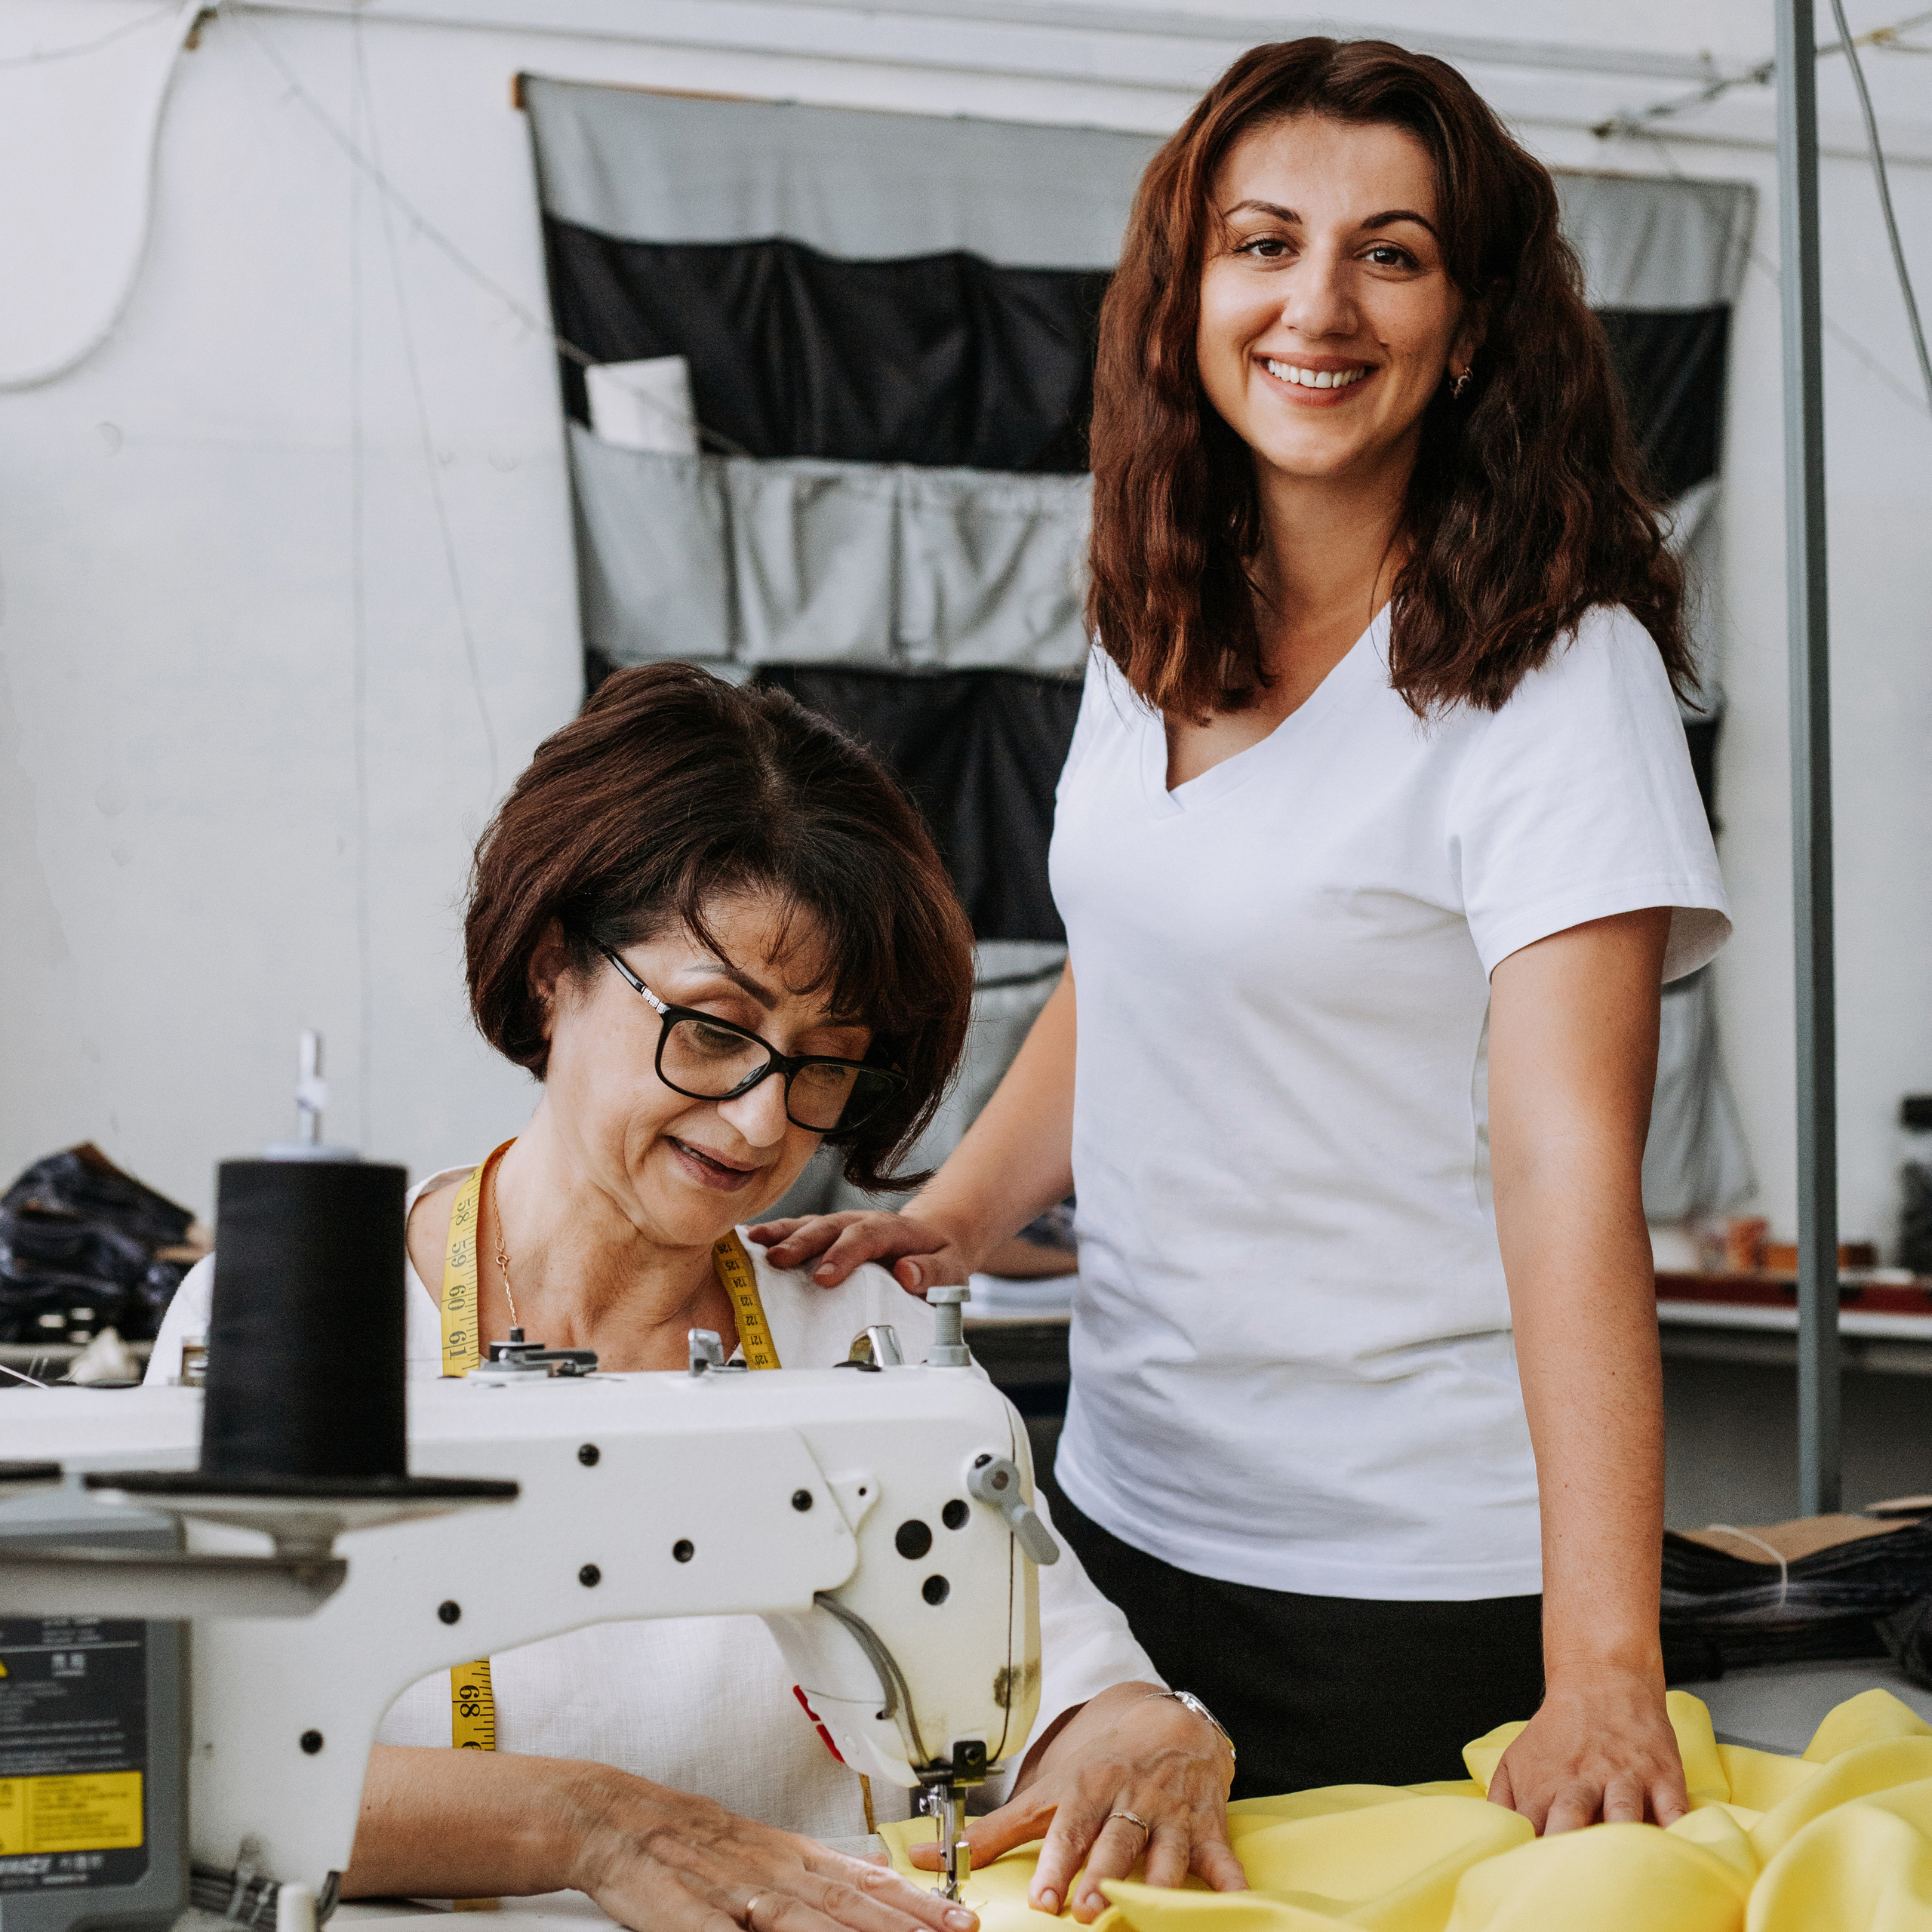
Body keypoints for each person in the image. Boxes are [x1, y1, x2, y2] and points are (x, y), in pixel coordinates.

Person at [755, 37, 1729, 1841]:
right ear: (1186, 294)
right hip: (1111, 1523)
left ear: (1470, 320)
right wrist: (953, 1214)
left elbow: (1567, 1164)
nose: (1316, 305)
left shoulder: (1554, 675)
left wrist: (1599, 1658)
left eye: (1390, 253)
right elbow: (1133, 965)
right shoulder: (1154, 615)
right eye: (1263, 244)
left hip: (1403, 1575)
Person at [149, 666, 1244, 1930]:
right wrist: (594, 1824)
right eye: (716, 1030)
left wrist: (1145, 1733)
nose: (766, 1122)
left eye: (826, 1065)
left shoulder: (862, 1328)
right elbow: (179, 1764)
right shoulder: (294, 1327)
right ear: (553, 967)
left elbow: (1060, 1692)